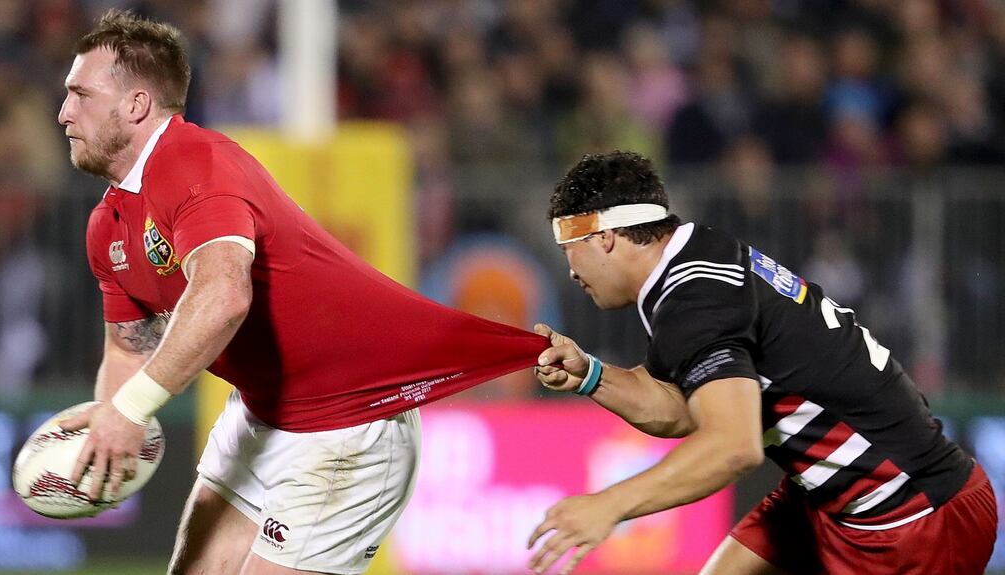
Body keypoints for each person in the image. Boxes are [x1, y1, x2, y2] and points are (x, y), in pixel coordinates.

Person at [55, 10, 546, 575]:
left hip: (348, 421)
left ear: (136, 105)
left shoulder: (195, 163)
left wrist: (132, 410)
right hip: (263, 412)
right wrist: (111, 428)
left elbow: (224, 296)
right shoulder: (108, 223)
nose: (64, 113)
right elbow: (128, 347)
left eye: (80, 94)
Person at [528, 150, 997, 575]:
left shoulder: (695, 298)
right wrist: (590, 374)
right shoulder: (691, 259)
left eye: (571, 248)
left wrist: (608, 505)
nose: (570, 270)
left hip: (912, 515)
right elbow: (677, 408)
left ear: (605, 237)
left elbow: (734, 446)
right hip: (836, 498)